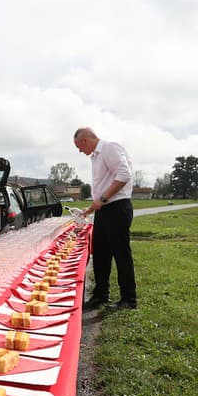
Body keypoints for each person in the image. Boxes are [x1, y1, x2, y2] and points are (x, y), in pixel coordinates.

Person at [73, 128, 137, 310]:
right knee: (100, 254)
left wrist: (103, 199)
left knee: (121, 254)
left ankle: (129, 299)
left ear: (85, 140)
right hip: (105, 209)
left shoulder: (109, 148)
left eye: (79, 146)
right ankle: (101, 295)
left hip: (117, 208)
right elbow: (102, 188)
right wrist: (89, 209)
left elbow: (124, 175)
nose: (79, 151)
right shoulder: (96, 157)